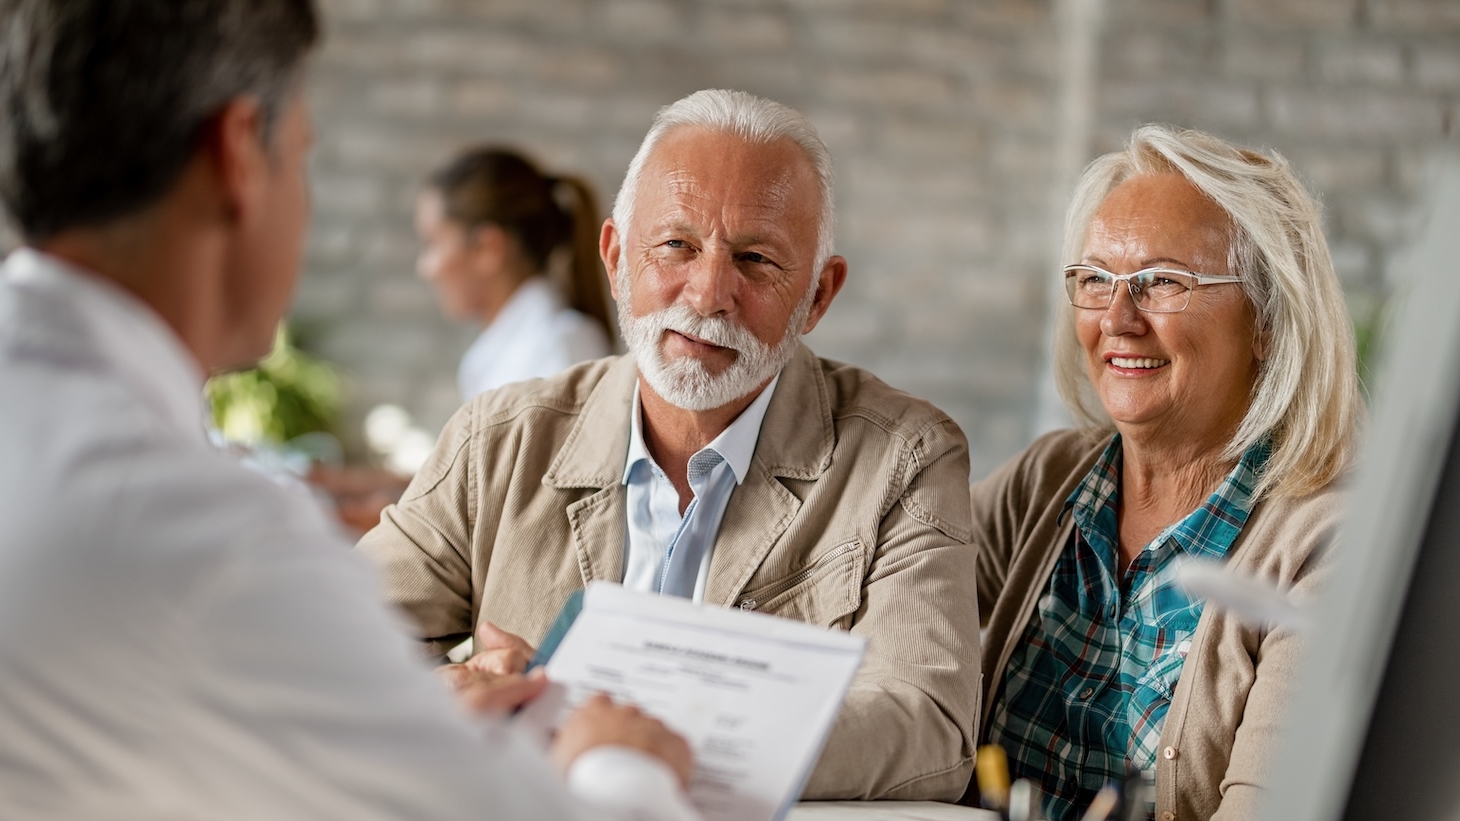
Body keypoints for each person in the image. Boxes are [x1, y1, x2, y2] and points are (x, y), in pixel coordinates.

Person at [0, 2, 699, 819]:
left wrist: (402, 726)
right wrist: (619, 762)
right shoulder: (212, 540)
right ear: (236, 157)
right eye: (301, 156)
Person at [358, 88, 982, 802]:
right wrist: (447, 694)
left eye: (755, 259)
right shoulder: (496, 439)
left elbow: (929, 725)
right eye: (676, 245)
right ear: (616, 257)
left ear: (818, 295)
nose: (710, 291)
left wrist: (640, 739)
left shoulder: (907, 459)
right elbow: (332, 642)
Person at [970, 125, 1361, 821]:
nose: (1118, 318)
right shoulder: (1044, 482)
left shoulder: (1327, 545)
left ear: (1267, 317)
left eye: (1162, 283)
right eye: (1096, 280)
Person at [417, 146, 614, 401]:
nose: (426, 268)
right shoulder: (509, 350)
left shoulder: (559, 348)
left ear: (488, 249)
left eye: (434, 243)